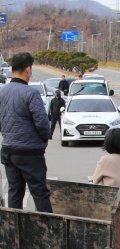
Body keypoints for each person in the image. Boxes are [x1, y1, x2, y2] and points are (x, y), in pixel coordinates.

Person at [0, 52, 52, 212]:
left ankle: (15, 234)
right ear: (28, 70)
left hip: (8, 150)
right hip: (30, 152)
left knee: (14, 192)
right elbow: (43, 124)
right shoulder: (31, 93)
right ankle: (48, 233)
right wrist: (44, 140)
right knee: (40, 193)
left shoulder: (2, 92)